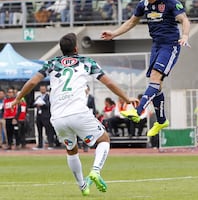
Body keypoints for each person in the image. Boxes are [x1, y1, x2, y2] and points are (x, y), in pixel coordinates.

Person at [12, 33, 138, 196]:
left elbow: (32, 82)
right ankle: (96, 171)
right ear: (76, 48)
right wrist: (126, 98)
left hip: (57, 117)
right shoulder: (86, 62)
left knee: (71, 149)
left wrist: (18, 97)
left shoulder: (52, 63)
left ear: (61, 49)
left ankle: (82, 186)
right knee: (104, 140)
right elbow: (109, 82)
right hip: (78, 112)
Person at [101, 0, 190, 137]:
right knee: (157, 85)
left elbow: (184, 19)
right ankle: (162, 120)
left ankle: (138, 110)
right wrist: (114, 33)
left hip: (170, 46)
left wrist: (184, 35)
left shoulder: (170, 2)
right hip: (156, 46)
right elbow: (132, 22)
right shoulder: (143, 4)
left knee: (155, 78)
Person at [33, 84, 55, 150]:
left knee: (48, 131)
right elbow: (33, 104)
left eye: (43, 89)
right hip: (39, 116)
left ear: (46, 89)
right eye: (41, 89)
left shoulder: (48, 97)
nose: (42, 90)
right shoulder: (38, 97)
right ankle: (40, 145)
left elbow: (48, 105)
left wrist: (42, 104)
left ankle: (51, 144)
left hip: (46, 116)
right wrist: (36, 104)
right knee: (39, 131)